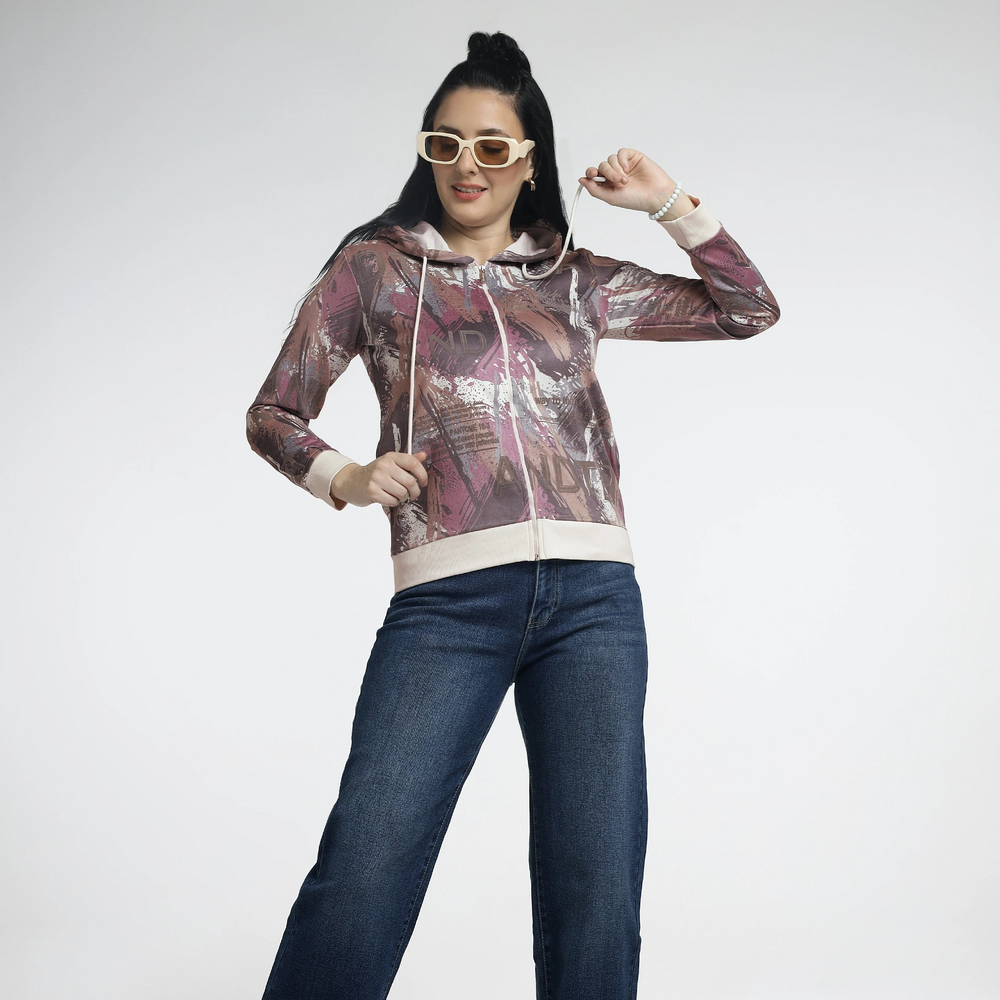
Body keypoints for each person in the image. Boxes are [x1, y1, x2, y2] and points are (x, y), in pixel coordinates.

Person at [245, 29, 780, 1000]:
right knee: (368, 860)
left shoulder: (574, 281)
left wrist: (668, 202)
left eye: (493, 146)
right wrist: (346, 476)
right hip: (447, 603)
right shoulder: (375, 271)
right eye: (445, 143)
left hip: (595, 604)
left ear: (530, 160)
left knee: (596, 884)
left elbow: (747, 310)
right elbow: (275, 412)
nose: (467, 165)